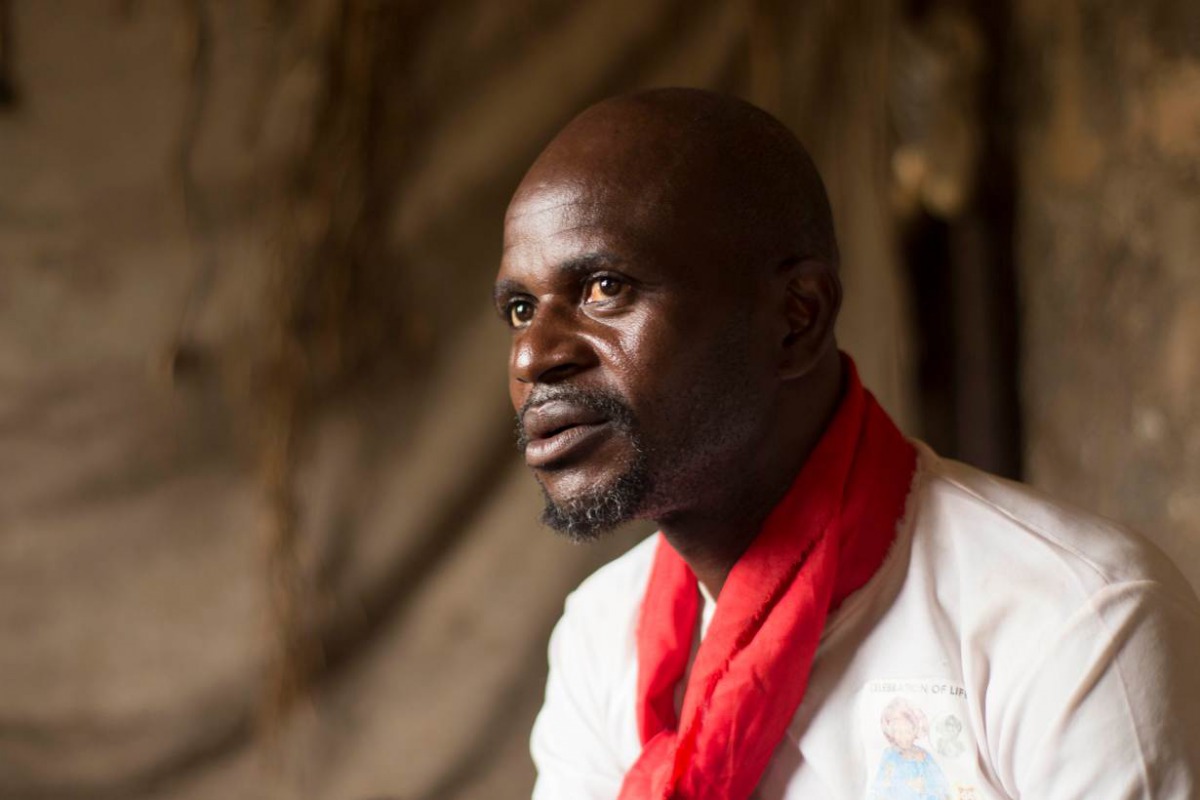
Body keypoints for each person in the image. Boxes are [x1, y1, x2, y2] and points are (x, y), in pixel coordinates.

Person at [493, 88, 1200, 799]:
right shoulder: (599, 632)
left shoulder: (1073, 622)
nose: (533, 356)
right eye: (520, 309)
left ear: (796, 319)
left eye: (605, 288)